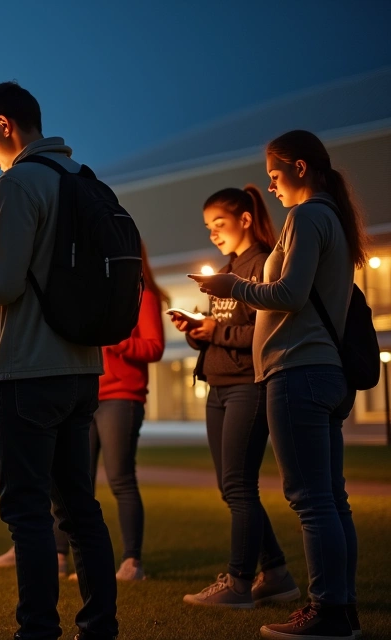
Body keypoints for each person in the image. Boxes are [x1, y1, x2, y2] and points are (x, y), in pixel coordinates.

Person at [0, 82, 118, 640]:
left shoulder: (18, 182)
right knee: (80, 508)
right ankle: (100, 627)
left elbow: (2, 283)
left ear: (5, 125)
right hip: (81, 367)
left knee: (27, 510)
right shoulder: (83, 179)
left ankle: (37, 630)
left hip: (29, 370)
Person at [193, 130, 365, 640]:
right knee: (330, 498)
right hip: (322, 370)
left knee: (312, 500)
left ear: (300, 167)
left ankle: (328, 610)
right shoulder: (330, 216)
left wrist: (234, 286)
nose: (270, 186)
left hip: (298, 369)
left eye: (274, 174)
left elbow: (289, 294)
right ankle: (341, 607)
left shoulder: (308, 216)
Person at [0, 243, 166, 582]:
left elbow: (154, 347)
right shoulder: (92, 293)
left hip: (121, 396)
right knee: (73, 484)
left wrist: (115, 339)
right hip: (87, 393)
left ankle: (132, 561)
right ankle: (58, 554)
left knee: (120, 478)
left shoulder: (142, 295)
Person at [179, 186, 300, 609]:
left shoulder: (263, 265)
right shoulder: (225, 270)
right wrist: (199, 331)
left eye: (220, 223)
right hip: (218, 385)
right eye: (208, 226)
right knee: (230, 486)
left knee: (238, 485)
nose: (213, 233)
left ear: (245, 220)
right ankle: (277, 575)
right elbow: (221, 329)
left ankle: (239, 582)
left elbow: (267, 330)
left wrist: (218, 331)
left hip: (248, 385)